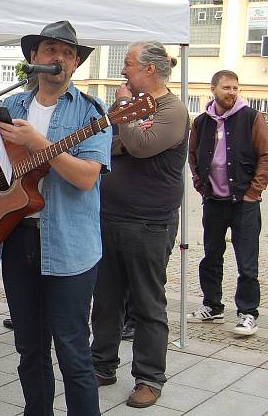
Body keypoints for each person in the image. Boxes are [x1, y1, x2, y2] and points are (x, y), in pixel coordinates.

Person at [0, 21, 110, 415]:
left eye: (69, 53)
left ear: (75, 65)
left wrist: (40, 145)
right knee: (29, 347)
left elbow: (86, 177)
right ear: (34, 58)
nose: (60, 58)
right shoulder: (12, 106)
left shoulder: (92, 112)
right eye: (52, 49)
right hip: (17, 238)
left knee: (72, 349)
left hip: (69, 246)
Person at [90, 42, 189, 408]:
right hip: (109, 215)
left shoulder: (174, 110)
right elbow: (107, 143)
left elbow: (143, 146)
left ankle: (149, 377)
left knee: (147, 303)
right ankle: (101, 364)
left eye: (128, 65)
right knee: (106, 298)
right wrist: (126, 136)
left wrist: (127, 121)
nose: (123, 71)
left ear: (149, 69)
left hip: (150, 222)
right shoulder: (130, 105)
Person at [187, 70, 267, 336]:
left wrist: (253, 192)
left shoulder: (252, 118)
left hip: (244, 203)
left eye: (235, 87)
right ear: (213, 89)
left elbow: (265, 156)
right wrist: (201, 186)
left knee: (247, 262)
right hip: (214, 202)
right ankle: (212, 305)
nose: (232, 92)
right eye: (226, 88)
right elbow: (193, 157)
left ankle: (247, 313)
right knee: (210, 257)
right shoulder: (201, 122)